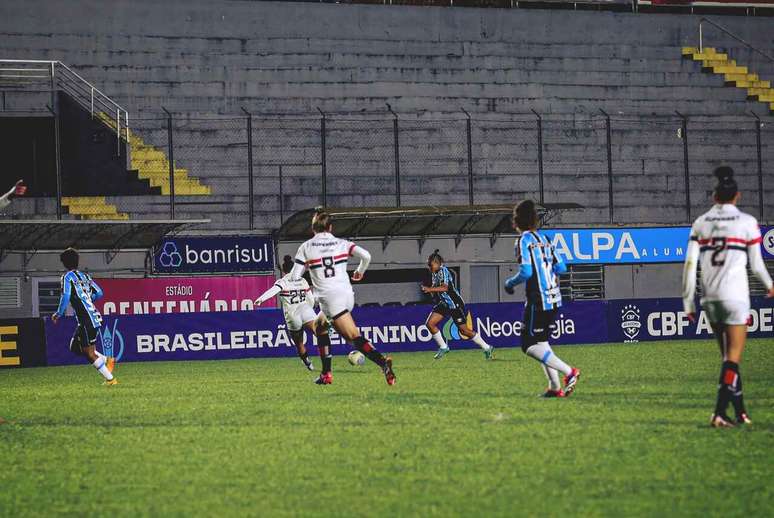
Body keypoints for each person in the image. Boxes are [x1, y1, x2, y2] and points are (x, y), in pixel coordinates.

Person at [682, 166, 774, 428]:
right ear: (737, 196)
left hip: (710, 299)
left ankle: (741, 411)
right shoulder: (747, 222)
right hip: (735, 297)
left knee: (728, 360)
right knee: (733, 358)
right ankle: (719, 413)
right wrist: (770, 284)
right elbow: (756, 265)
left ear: (714, 197)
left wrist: (688, 302)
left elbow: (690, 265)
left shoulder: (700, 223)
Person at [290, 209, 396, 385]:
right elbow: (366, 256)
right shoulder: (342, 243)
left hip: (331, 300)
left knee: (353, 337)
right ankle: (326, 374)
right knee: (320, 326)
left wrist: (309, 270)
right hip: (347, 295)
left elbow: (294, 276)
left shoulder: (306, 247)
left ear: (312, 229)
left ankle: (383, 362)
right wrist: (360, 271)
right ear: (330, 228)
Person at [504, 200, 580, 398]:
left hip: (539, 300)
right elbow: (562, 267)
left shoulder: (523, 240)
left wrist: (510, 283)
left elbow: (526, 271)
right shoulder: (546, 239)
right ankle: (554, 388)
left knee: (528, 345)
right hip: (554, 298)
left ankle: (569, 372)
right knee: (541, 342)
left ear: (516, 222)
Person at [51, 247, 117, 386]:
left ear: (64, 263)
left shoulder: (67, 277)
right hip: (92, 317)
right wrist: (88, 299)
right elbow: (99, 293)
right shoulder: (85, 277)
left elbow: (66, 295)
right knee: (75, 347)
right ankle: (106, 360)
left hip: (87, 320)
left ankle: (110, 379)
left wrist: (59, 313)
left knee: (89, 353)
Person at [255, 255, 331, 372]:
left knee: (299, 343)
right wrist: (310, 308)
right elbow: (310, 299)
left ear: (283, 270)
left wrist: (261, 299)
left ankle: (307, 363)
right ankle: (326, 361)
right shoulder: (302, 280)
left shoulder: (283, 281)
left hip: (292, 315)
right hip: (306, 311)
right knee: (320, 334)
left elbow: (273, 290)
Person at [422, 250, 494, 360]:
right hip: (444, 304)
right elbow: (435, 287)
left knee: (464, 331)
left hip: (455, 304)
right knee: (430, 324)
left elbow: (445, 288)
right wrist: (430, 291)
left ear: (437, 263)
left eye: (430, 265)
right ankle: (443, 347)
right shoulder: (434, 273)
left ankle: (487, 347)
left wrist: (430, 289)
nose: (429, 267)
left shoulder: (444, 271)